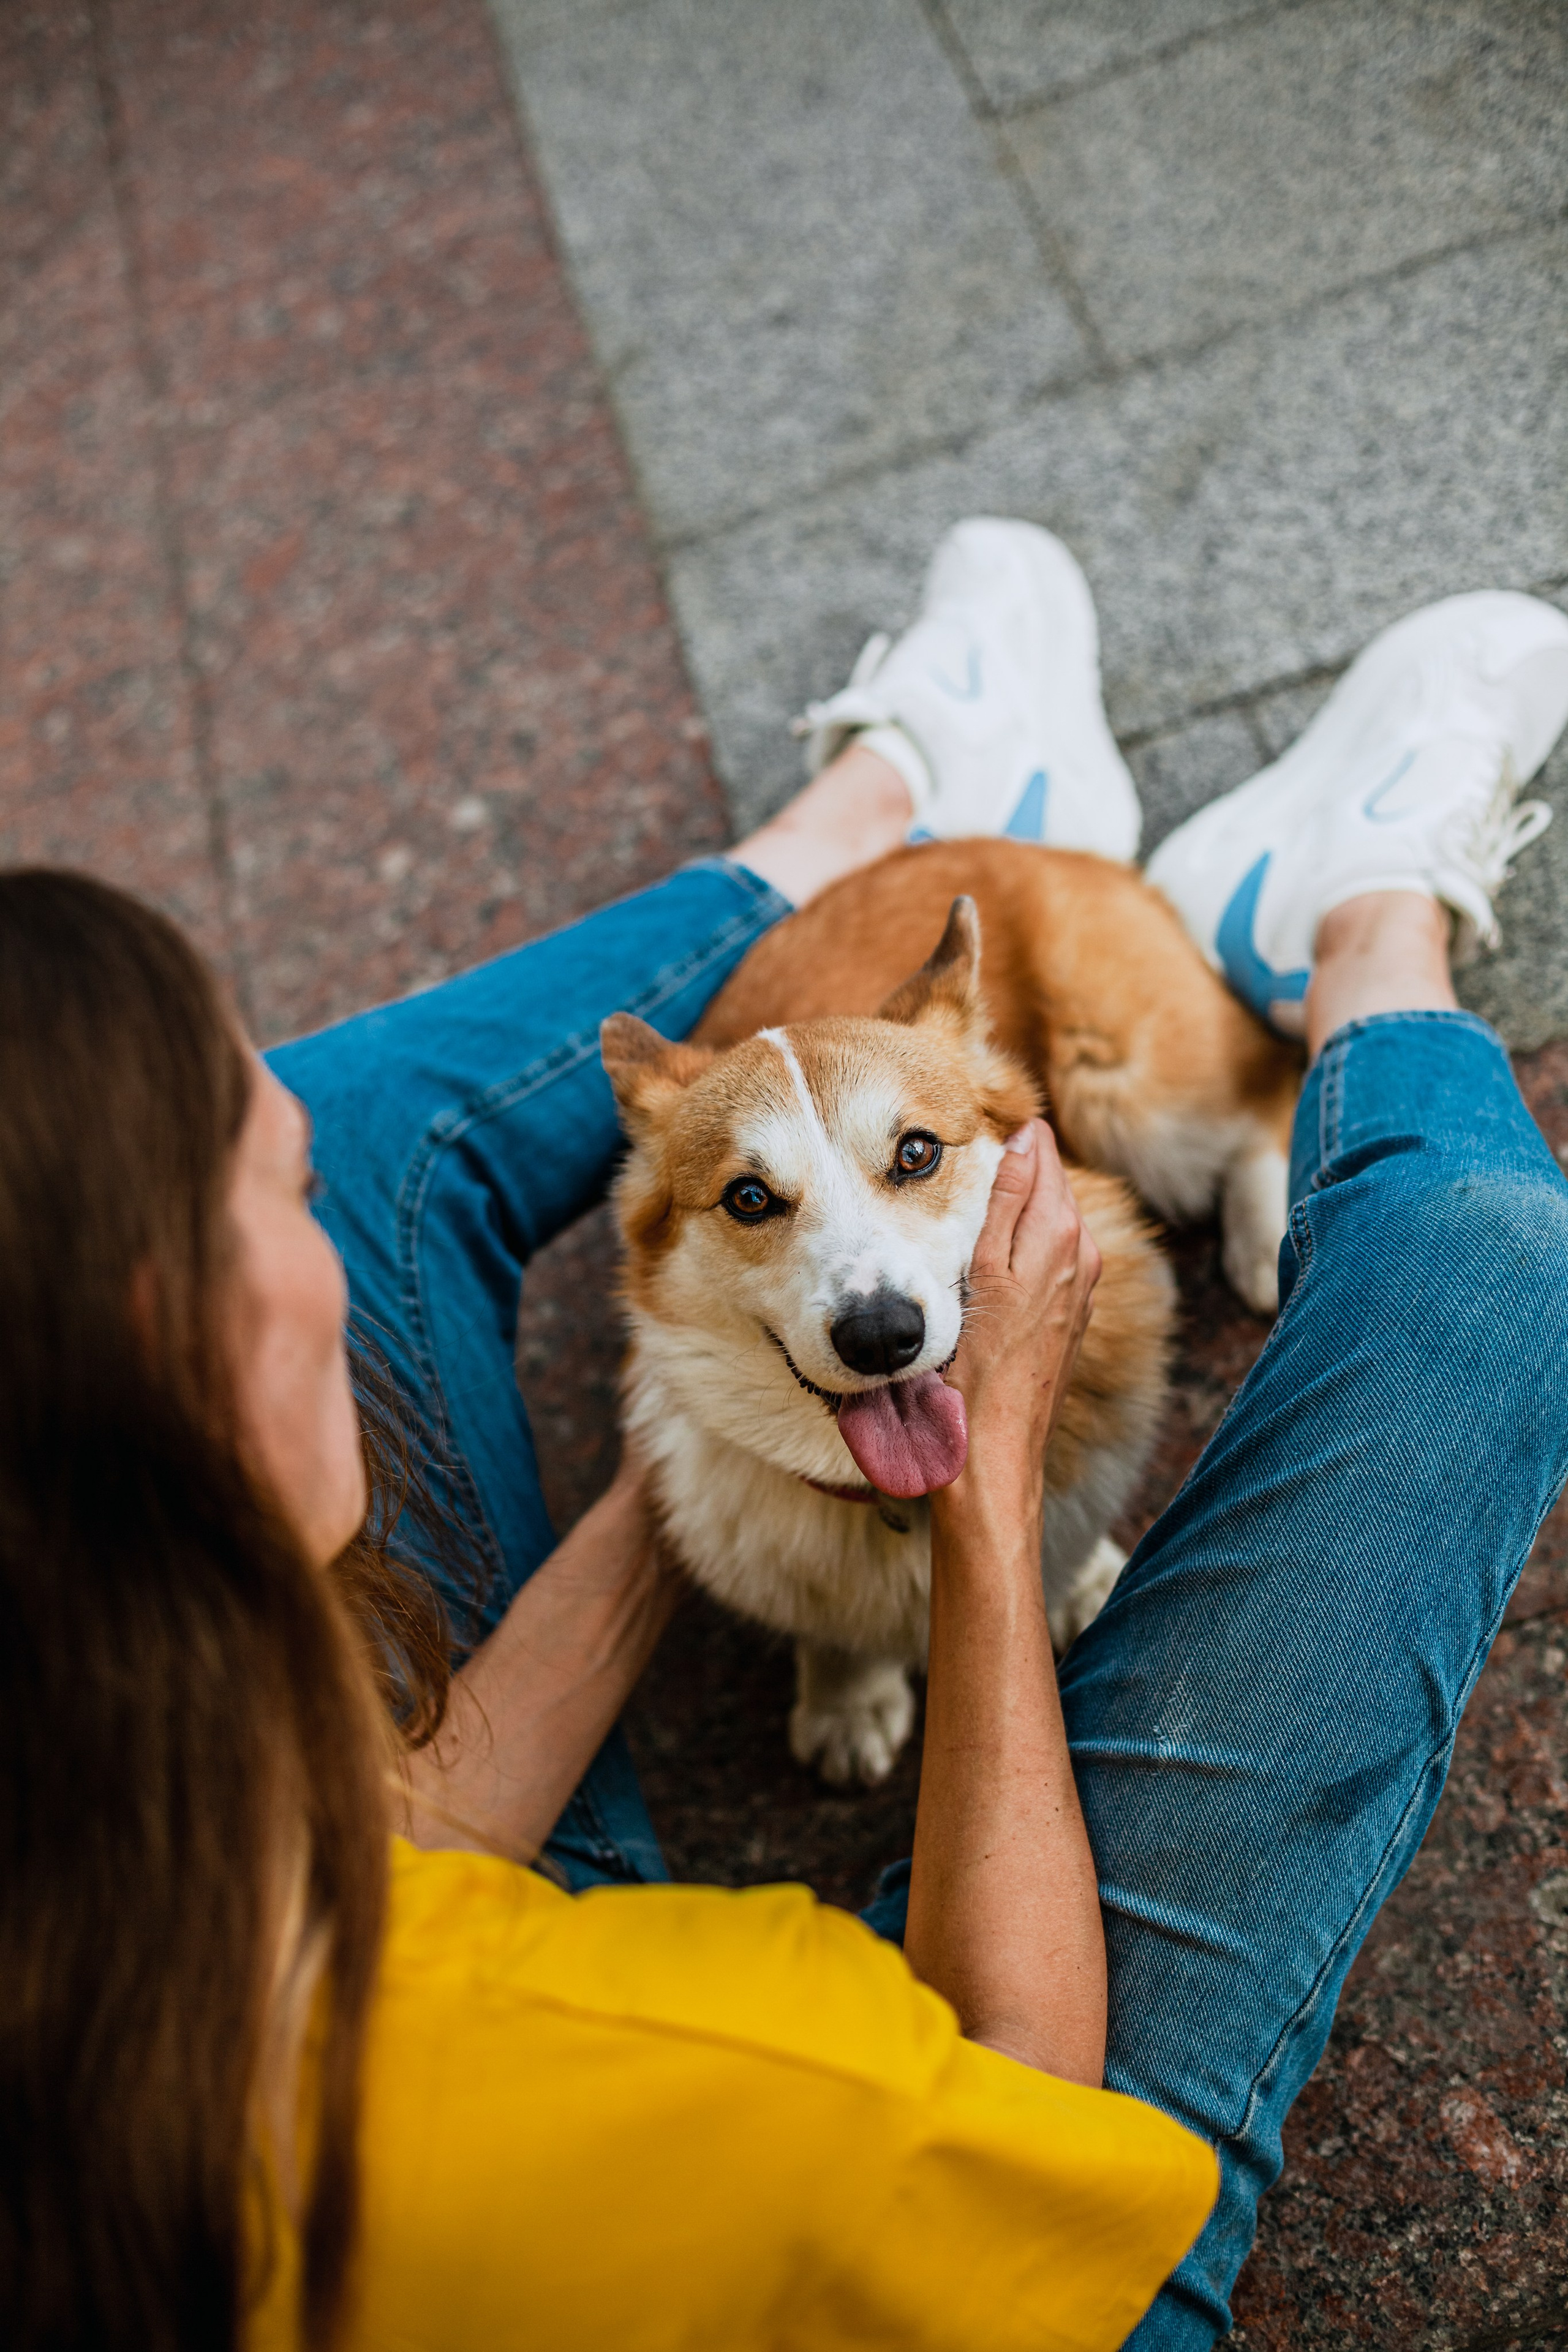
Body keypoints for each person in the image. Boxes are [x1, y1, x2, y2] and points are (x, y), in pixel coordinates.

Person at [3, 520, 1566, 2352]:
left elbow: (388, 1848)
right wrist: (982, 1506)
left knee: (368, 1125)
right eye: (274, 1197)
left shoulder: (104, 1805)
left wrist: (707, 1434)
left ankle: (868, 816)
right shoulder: (622, 2055)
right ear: (167, 1355)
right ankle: (1368, 922)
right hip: (968, 2199)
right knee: (1487, 1260)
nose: (317, 1245)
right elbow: (1019, 2085)